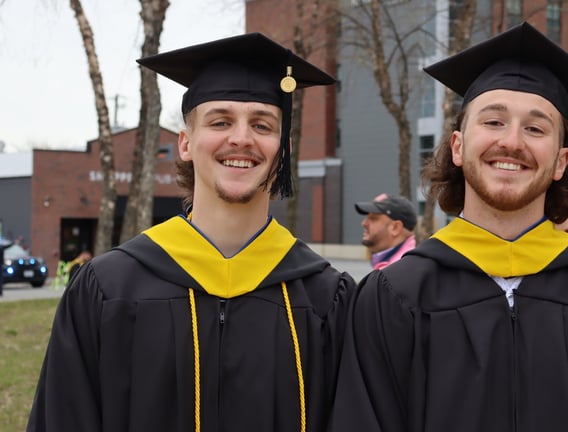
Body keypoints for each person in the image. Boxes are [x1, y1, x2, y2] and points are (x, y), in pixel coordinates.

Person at [330, 22, 568, 432]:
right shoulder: (393, 295)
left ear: (561, 161)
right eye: (493, 122)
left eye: (535, 128)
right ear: (458, 147)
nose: (512, 142)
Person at [27, 33, 356, 432]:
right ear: (185, 143)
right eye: (220, 122)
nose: (242, 138)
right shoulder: (108, 288)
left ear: (282, 149)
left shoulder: (327, 299)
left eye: (262, 125)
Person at [354, 193, 417, 270]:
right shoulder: (404, 264)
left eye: (373, 219)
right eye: (367, 217)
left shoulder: (401, 270)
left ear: (395, 228)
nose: (364, 223)